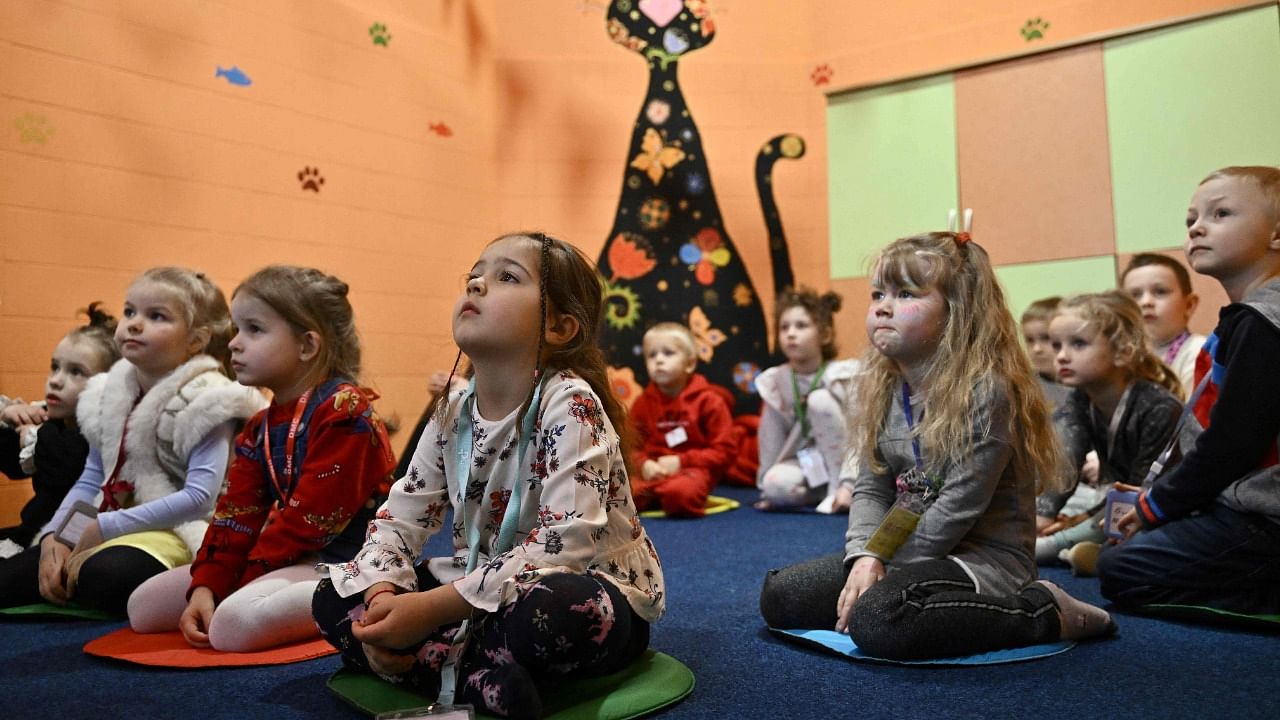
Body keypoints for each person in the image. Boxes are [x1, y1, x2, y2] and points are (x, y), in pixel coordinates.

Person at [312, 232, 665, 720]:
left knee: (566, 609)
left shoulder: (571, 402)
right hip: (479, 585)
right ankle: (480, 675)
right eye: (474, 274)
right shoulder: (451, 410)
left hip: (581, 585)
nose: (476, 284)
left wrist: (430, 612)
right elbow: (398, 520)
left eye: (506, 277)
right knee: (334, 595)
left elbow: (564, 546)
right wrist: (382, 597)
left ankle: (424, 663)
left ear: (559, 327)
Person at [759, 231, 1114, 661]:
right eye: (877, 294)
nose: (882, 306)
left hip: (983, 559)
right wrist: (864, 558)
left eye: (906, 293)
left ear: (956, 312)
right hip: (903, 549)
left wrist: (883, 568)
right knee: (782, 597)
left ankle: (1045, 611)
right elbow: (871, 488)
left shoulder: (987, 390)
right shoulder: (885, 385)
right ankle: (888, 590)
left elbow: (957, 507)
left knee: (881, 618)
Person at [127, 266, 395, 652]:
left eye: (253, 329)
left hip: (349, 562)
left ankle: (357, 601)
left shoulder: (345, 411)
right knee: (144, 607)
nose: (234, 343)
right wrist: (208, 583)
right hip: (291, 560)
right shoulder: (259, 426)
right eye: (236, 329)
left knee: (233, 624)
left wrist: (242, 580)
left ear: (307, 346)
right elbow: (235, 515)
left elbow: (308, 523)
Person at [0, 267, 265, 614]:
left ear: (195, 341)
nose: (135, 324)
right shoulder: (105, 392)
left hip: (178, 528)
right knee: (15, 576)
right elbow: (93, 477)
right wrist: (57, 535)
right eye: (129, 312)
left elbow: (200, 499)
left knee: (105, 577)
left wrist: (106, 527)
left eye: (156, 316)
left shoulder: (210, 399)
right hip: (110, 519)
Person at [1101, 166, 1280, 614]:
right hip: (1246, 505)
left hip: (1265, 520)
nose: (1198, 227)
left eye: (1221, 214)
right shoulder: (1247, 318)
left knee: (1122, 570)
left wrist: (1156, 505)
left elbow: (1233, 443)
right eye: (1191, 220)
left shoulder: (1262, 323)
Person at [1034, 291, 1182, 573]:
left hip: (1166, 507)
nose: (1062, 356)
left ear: (1123, 351)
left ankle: (1076, 550)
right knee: (1073, 513)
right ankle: (1088, 550)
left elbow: (1143, 490)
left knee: (1131, 541)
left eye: (1078, 344)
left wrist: (1050, 539)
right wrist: (1043, 515)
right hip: (1125, 501)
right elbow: (1066, 461)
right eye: (1057, 345)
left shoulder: (1159, 408)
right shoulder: (1081, 398)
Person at [0, 303, 120, 552]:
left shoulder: (98, 435)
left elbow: (64, 461)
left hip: (70, 548)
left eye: (76, 372)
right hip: (28, 537)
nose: (56, 381)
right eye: (55, 367)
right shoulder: (51, 422)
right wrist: (7, 415)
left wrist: (31, 435)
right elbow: (12, 462)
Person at [755, 287, 861, 513]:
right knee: (774, 484)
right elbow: (770, 437)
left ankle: (841, 491)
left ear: (824, 335)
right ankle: (822, 494)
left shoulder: (841, 375)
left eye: (801, 326)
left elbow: (859, 431)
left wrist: (849, 481)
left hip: (847, 465)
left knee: (819, 400)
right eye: (784, 327)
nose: (790, 333)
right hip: (808, 464)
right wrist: (766, 487)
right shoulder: (776, 380)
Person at [629, 322, 736, 517]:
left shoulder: (709, 401)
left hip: (692, 471)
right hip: (653, 473)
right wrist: (644, 464)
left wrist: (681, 461)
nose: (658, 360)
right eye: (652, 355)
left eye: (668, 353)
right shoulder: (642, 403)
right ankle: (657, 495)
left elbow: (725, 451)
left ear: (690, 364)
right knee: (616, 493)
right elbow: (629, 446)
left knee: (681, 493)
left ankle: (662, 496)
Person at [1120, 253, 1206, 399]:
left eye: (1160, 292)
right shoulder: (1119, 358)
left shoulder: (1201, 353)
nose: (1146, 302)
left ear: (1189, 305)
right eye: (1135, 295)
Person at [1021, 296, 1070, 410]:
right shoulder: (1025, 389)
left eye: (1045, 338)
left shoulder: (1087, 385)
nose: (1036, 349)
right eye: (1030, 340)